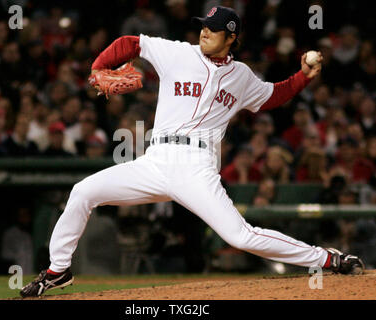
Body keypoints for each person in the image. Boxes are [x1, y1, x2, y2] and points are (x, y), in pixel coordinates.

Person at [20, 6, 365, 297]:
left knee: (239, 235)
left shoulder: (241, 76)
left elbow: (273, 96)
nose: (205, 33)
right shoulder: (178, 53)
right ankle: (58, 270)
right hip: (154, 162)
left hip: (196, 168)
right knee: (83, 191)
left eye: (214, 30)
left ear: (231, 38)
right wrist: (98, 67)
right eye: (204, 26)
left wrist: (304, 76)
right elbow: (130, 42)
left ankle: (325, 259)